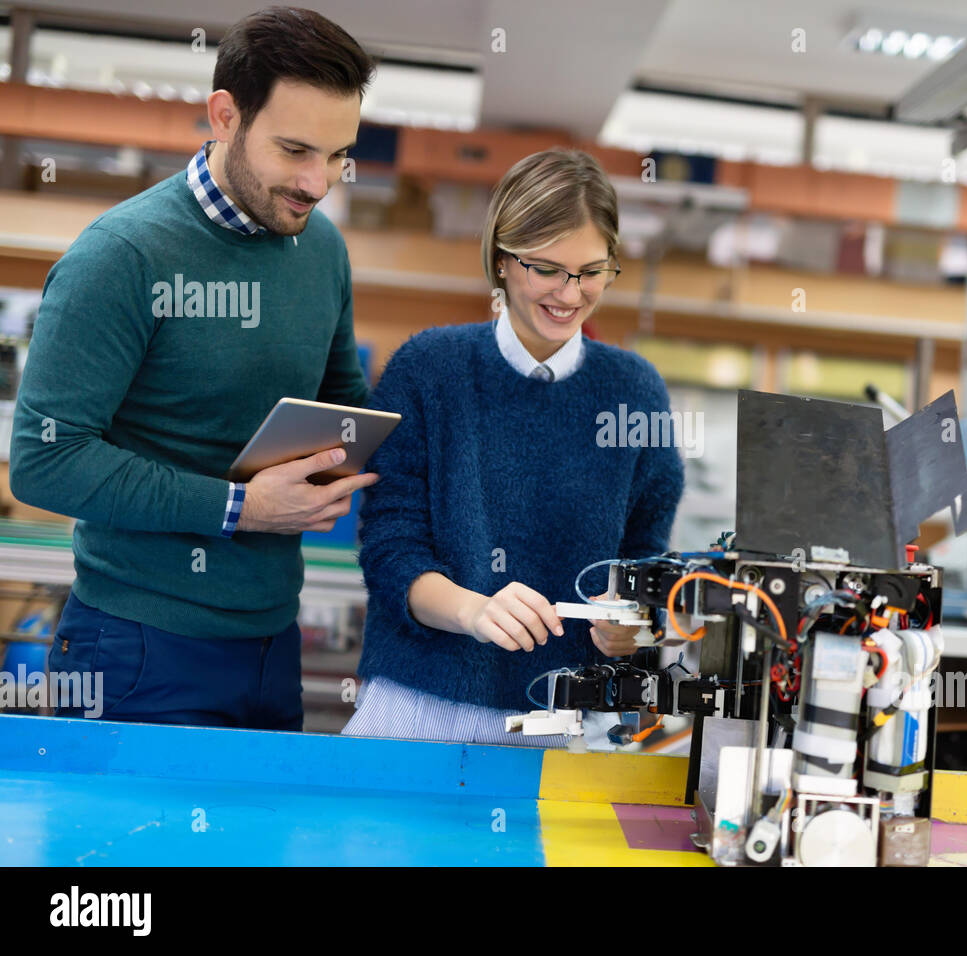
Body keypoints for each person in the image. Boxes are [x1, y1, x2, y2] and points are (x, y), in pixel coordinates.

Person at [10, 7, 379, 729]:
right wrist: (239, 508)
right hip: (137, 646)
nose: (319, 182)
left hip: (272, 641)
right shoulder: (121, 257)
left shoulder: (323, 250)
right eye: (296, 150)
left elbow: (344, 403)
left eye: (338, 155)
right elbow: (44, 460)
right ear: (224, 116)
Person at [343, 148, 685, 745]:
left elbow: (644, 559)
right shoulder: (429, 368)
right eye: (546, 268)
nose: (570, 293)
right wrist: (472, 611)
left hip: (565, 719)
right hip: (419, 704)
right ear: (502, 263)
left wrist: (630, 623)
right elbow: (391, 552)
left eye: (592, 270)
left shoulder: (635, 391)